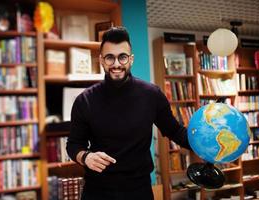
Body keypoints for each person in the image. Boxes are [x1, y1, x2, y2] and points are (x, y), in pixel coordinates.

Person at [66, 26, 190, 200]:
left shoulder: (152, 95)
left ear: (131, 59)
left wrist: (208, 145)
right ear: (101, 60)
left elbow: (175, 131)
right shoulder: (84, 101)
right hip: (97, 191)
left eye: (122, 57)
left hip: (139, 191)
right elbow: (73, 145)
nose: (116, 64)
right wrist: (86, 157)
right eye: (110, 58)